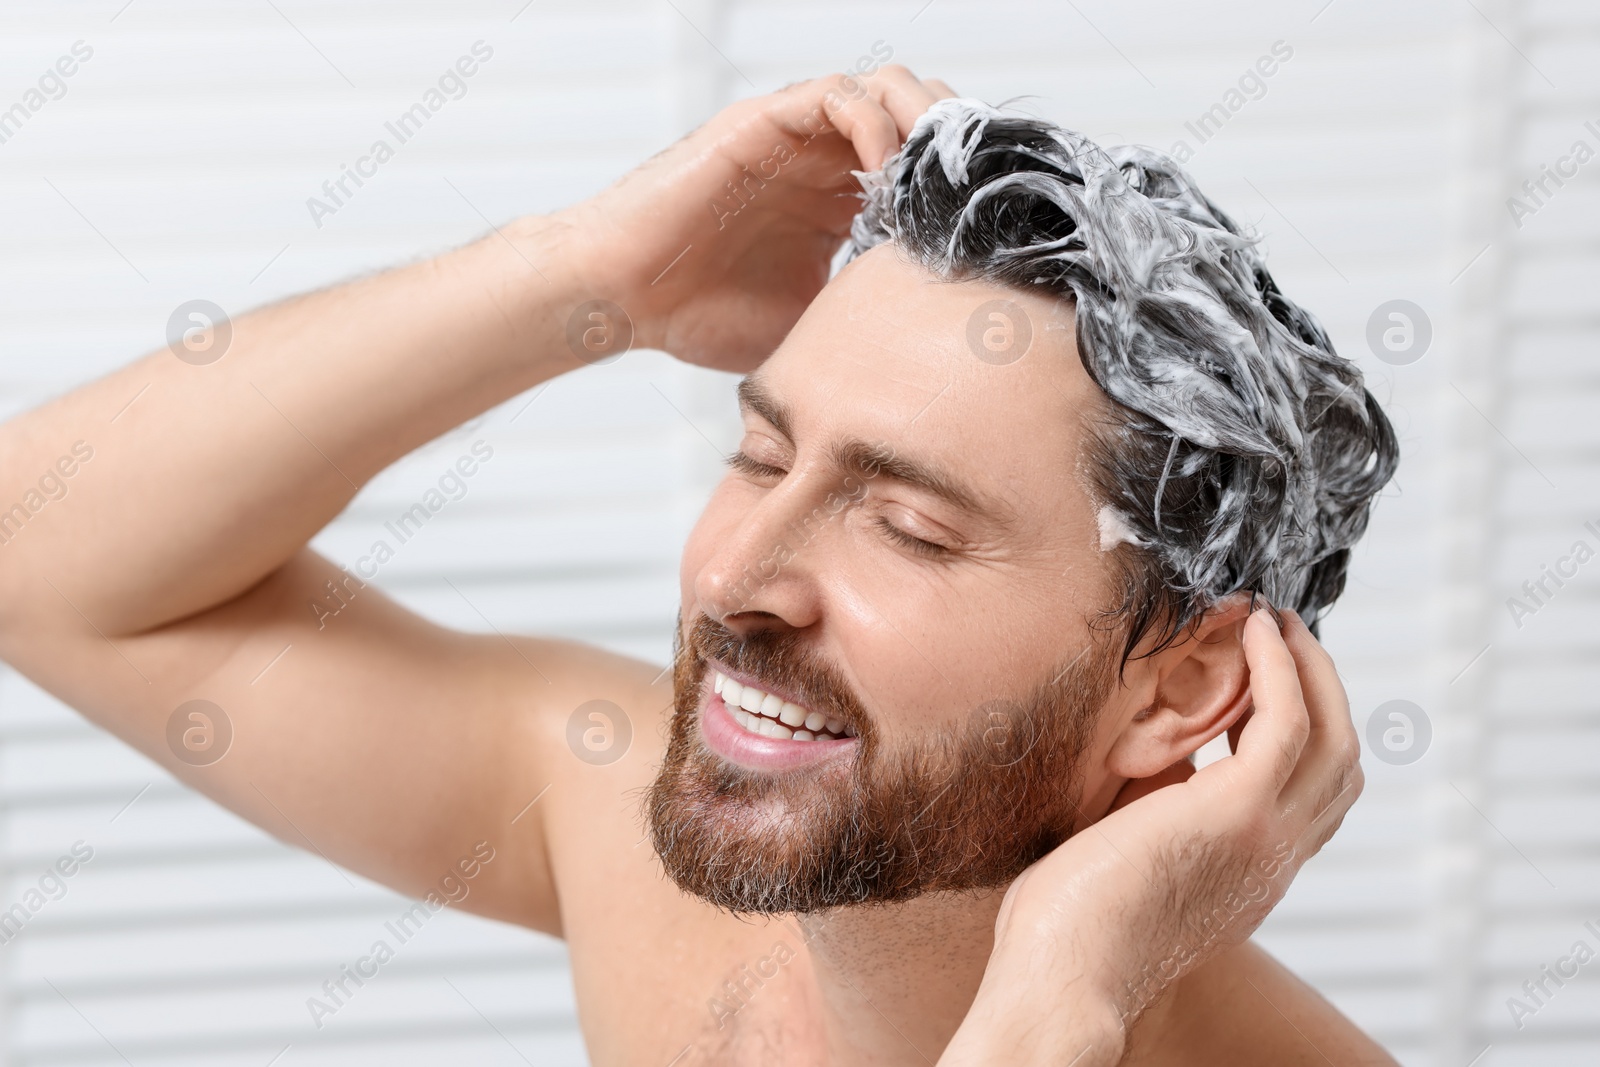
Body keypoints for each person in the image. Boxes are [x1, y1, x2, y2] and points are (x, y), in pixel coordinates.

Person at [0, 67, 1398, 1065]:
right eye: (759, 458)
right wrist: (585, 280)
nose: (737, 579)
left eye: (906, 526)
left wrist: (1063, 1005)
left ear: (1187, 684)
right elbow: (42, 558)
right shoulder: (642, 867)